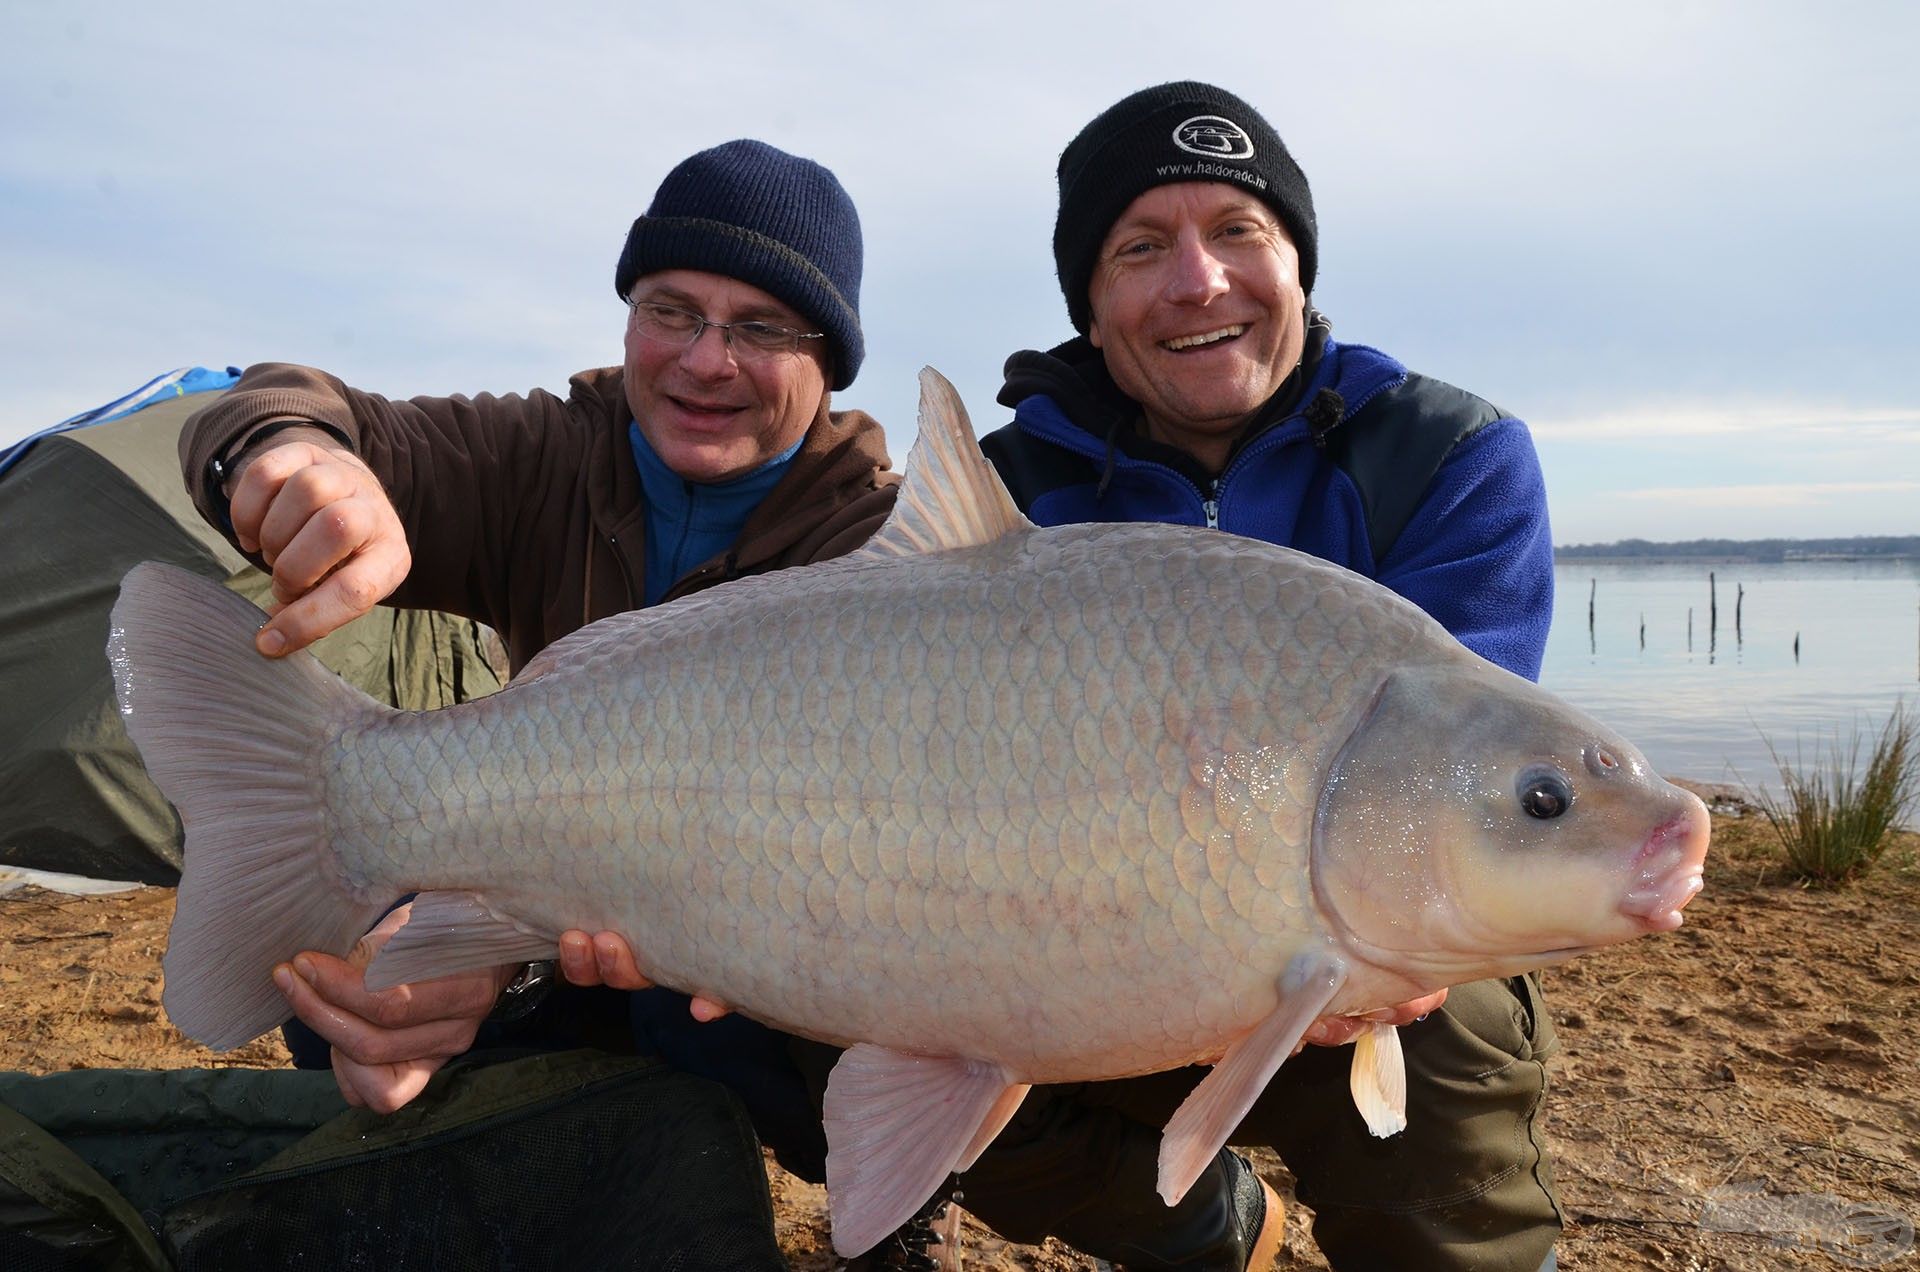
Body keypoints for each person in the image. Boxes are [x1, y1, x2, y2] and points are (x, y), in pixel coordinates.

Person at [950, 81, 1562, 1271]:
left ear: (1298, 263)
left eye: (1238, 231)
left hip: (1339, 937)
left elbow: (1458, 791)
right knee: (811, 1024)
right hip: (1068, 941)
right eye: (1140, 249)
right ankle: (1215, 1229)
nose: (1197, 281)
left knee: (1445, 1023)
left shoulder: (1449, 455)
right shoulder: (1008, 492)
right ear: (1090, 301)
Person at [176, 139, 897, 1129]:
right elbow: (276, 402)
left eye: (761, 327)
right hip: (554, 920)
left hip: (786, 954)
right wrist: (287, 456)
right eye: (671, 311)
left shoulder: (880, 546)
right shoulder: (547, 454)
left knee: (801, 1022)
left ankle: (905, 1195)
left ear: (830, 362)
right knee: (345, 981)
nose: (703, 360)